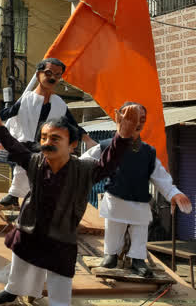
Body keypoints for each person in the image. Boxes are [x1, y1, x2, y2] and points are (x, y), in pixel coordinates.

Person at [0, 105, 141, 306]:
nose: (47, 143)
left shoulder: (84, 169)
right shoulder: (35, 162)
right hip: (30, 228)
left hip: (61, 236)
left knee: (59, 284)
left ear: (72, 144)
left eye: (55, 139)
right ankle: (12, 290)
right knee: (20, 261)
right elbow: (14, 146)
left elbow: (108, 162)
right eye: (44, 138)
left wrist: (123, 136)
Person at [80, 101, 192, 277]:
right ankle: (111, 255)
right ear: (120, 119)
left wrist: (174, 193)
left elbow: (160, 177)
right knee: (113, 228)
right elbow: (82, 164)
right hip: (116, 198)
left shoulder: (148, 152)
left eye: (142, 119)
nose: (137, 123)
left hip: (140, 201)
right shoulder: (107, 146)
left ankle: (138, 259)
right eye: (131, 118)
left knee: (139, 232)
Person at [0, 57, 96, 210]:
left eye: (57, 75)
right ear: (38, 75)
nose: (53, 77)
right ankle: (13, 198)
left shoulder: (59, 104)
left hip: (47, 146)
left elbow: (72, 124)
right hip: (26, 142)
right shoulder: (27, 99)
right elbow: (9, 112)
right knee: (21, 170)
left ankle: (42, 203)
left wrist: (87, 139)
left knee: (47, 175)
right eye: (49, 73)